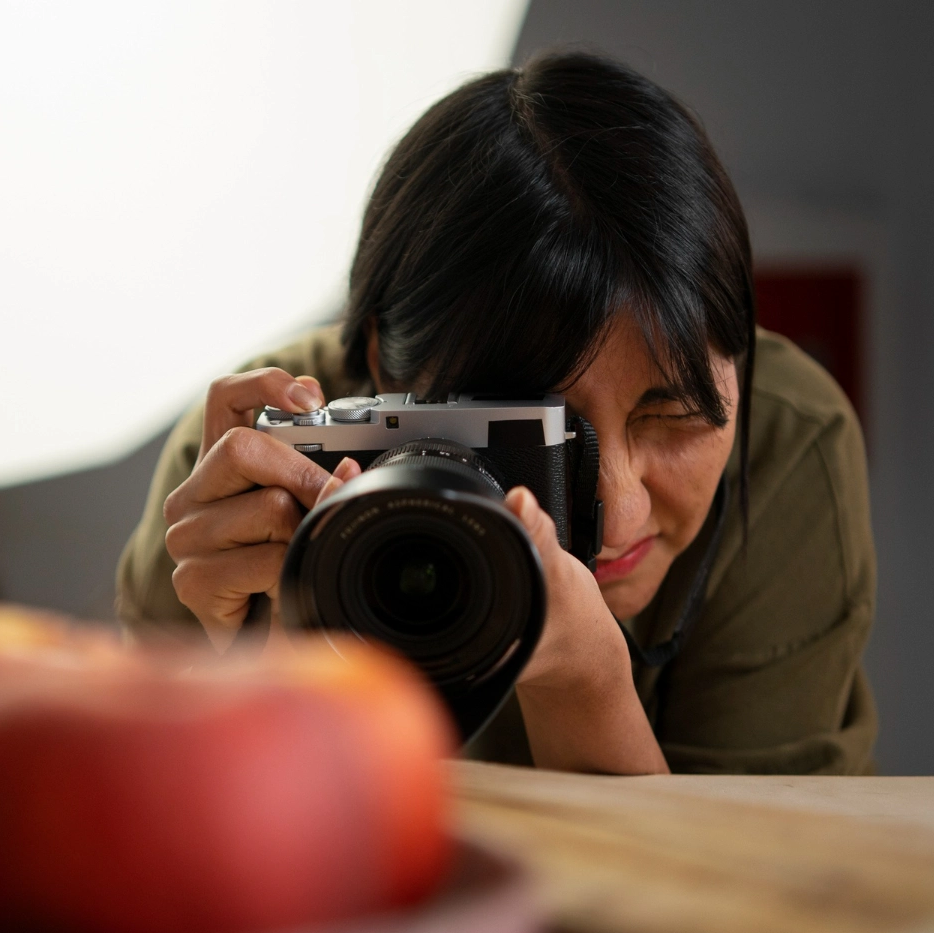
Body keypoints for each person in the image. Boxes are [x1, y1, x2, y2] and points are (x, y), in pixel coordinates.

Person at [115, 52, 876, 775]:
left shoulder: (785, 444)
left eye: (676, 415)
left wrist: (585, 680)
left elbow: (746, 890)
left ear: (737, 363)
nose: (619, 519)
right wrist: (239, 674)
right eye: (537, 432)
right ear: (386, 368)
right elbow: (143, 855)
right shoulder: (257, 463)